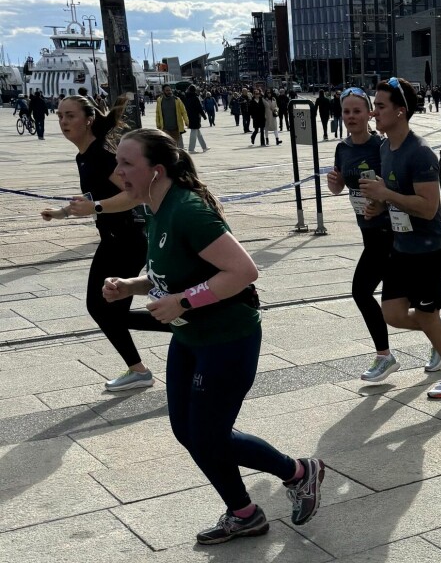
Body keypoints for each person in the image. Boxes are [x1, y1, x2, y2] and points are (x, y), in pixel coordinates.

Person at [102, 129, 323, 544]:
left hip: (228, 338)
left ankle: (297, 472)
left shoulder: (186, 210)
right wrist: (132, 285)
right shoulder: (155, 207)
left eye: (127, 163)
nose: (118, 171)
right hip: (190, 338)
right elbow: (170, 272)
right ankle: (245, 512)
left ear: (157, 170)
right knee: (189, 432)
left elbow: (243, 272)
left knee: (206, 434)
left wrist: (182, 302)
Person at [40, 95, 167, 391]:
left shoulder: (101, 155)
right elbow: (96, 192)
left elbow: (132, 194)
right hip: (115, 238)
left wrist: (94, 207)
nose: (63, 122)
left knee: (101, 308)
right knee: (105, 309)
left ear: (88, 119)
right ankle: (170, 334)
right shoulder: (85, 155)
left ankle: (175, 329)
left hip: (126, 239)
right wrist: (64, 212)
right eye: (59, 116)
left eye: (70, 116)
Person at [359, 77, 441, 399]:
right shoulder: (385, 147)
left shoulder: (420, 153)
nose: (373, 113)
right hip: (402, 247)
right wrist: (378, 204)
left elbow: (428, 208)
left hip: (430, 250)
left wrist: (385, 193)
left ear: (400, 112)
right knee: (392, 314)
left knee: (424, 315)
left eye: (379, 106)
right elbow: (394, 196)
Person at [327, 87, 399, 382]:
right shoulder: (342, 148)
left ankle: (385, 356)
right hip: (367, 231)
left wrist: (380, 203)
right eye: (346, 111)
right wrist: (335, 182)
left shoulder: (381, 146)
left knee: (362, 291)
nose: (351, 117)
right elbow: (339, 187)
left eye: (357, 111)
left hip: (389, 230)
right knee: (401, 301)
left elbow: (395, 187)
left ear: (370, 113)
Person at [156, 84, 188, 149]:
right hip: (165, 128)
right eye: (167, 90)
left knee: (179, 147)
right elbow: (158, 113)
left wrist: (186, 121)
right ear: (163, 91)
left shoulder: (177, 100)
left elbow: (183, 111)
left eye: (170, 90)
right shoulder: (160, 100)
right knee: (168, 147)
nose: (169, 92)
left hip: (176, 128)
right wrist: (158, 124)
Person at [184, 85, 209, 154]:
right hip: (195, 116)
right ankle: (191, 149)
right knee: (194, 132)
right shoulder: (195, 98)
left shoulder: (186, 97)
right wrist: (204, 116)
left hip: (189, 116)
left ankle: (204, 147)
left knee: (198, 133)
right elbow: (199, 108)